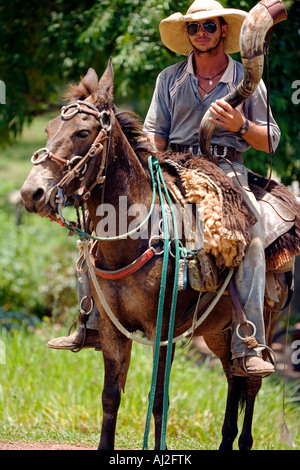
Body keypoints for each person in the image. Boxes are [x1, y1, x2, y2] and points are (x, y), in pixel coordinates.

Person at [48, 0, 279, 377]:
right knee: (105, 222)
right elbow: (155, 132)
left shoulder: (246, 78)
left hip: (225, 169)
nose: (201, 33)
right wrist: (149, 161)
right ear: (187, 34)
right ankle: (89, 322)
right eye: (193, 28)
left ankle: (247, 342)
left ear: (223, 29)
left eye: (208, 26)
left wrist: (239, 125)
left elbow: (270, 141)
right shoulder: (170, 78)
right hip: (173, 165)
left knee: (250, 238)